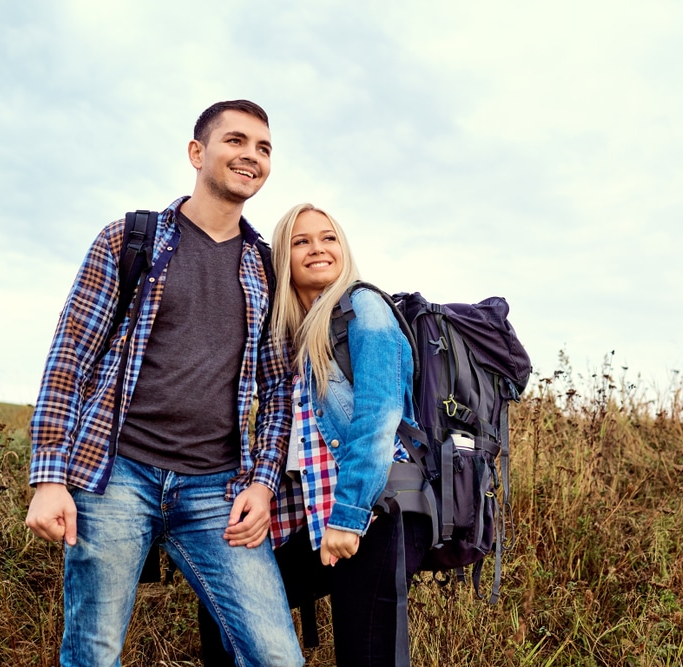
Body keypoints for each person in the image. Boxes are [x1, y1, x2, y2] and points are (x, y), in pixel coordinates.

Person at [24, 100, 304, 667]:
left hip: (217, 491)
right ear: (197, 152)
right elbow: (70, 357)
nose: (251, 155)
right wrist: (50, 476)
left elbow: (279, 392)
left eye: (264, 148)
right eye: (236, 141)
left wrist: (265, 483)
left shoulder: (267, 268)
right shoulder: (131, 239)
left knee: (278, 657)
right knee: (93, 652)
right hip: (116, 477)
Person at [203, 203, 434, 666]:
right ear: (283, 259)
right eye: (301, 241)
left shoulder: (363, 308)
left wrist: (348, 518)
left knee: (366, 655)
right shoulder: (289, 336)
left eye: (328, 238)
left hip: (373, 512)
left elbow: (377, 419)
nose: (317, 249)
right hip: (311, 520)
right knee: (224, 606)